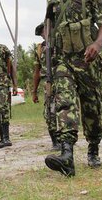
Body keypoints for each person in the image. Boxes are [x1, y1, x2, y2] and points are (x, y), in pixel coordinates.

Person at [43, 0, 102, 177]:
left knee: (92, 109)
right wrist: (48, 48)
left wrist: (97, 43)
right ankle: (67, 155)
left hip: (87, 60)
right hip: (63, 60)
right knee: (65, 102)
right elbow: (49, 25)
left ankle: (93, 149)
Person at [32, 23, 60, 151]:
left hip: (62, 80)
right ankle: (55, 142)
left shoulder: (60, 43)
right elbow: (37, 71)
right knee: (50, 112)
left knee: (65, 111)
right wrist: (34, 92)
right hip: (47, 83)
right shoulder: (40, 49)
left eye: (47, 30)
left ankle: (66, 139)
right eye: (43, 32)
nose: (45, 34)